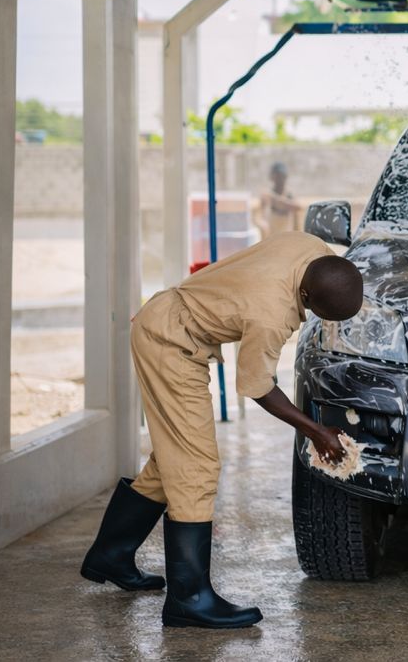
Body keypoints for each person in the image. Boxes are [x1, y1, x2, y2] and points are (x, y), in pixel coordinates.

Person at [80, 231, 363, 629]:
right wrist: (315, 431)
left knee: (175, 461)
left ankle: (110, 555)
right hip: (170, 343)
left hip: (167, 317)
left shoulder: (306, 244)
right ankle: (189, 598)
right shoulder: (270, 315)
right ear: (307, 300)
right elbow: (257, 387)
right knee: (196, 467)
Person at [256, 161, 304, 237]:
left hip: (286, 239)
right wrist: (261, 224)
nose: (280, 180)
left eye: (282, 176)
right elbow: (259, 216)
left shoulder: (289, 196)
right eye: (277, 176)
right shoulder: (267, 196)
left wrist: (277, 201)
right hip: (271, 238)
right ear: (272, 178)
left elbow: (299, 207)